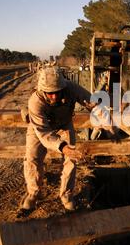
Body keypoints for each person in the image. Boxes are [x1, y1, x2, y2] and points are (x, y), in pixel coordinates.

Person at [21, 66, 100, 212]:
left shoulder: (70, 87)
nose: (54, 97)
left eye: (57, 92)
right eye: (50, 94)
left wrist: (102, 111)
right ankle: (33, 194)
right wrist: (62, 146)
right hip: (40, 128)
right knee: (32, 158)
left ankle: (66, 195)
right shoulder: (35, 101)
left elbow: (90, 101)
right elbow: (44, 133)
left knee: (71, 159)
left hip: (64, 124)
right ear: (42, 90)